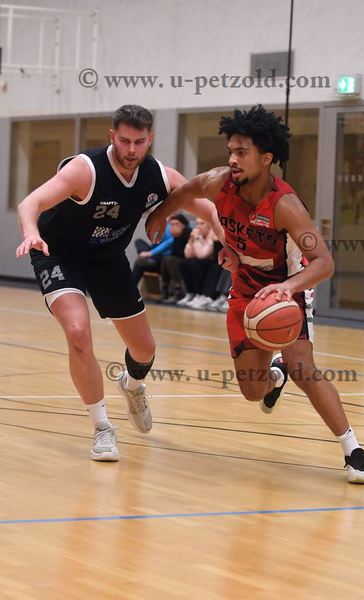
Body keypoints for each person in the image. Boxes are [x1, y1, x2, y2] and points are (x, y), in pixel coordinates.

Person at [146, 105, 364, 484]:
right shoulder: (218, 182)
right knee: (253, 391)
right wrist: (159, 215)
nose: (233, 160)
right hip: (244, 286)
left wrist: (288, 288)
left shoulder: (286, 206)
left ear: (266, 158)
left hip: (288, 285)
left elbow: (324, 263)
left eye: (242, 153)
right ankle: (274, 377)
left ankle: (353, 449)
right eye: (231, 152)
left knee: (303, 367)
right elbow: (185, 191)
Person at [15, 104, 232, 462]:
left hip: (108, 259)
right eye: (125, 141)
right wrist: (30, 232)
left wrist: (228, 243)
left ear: (150, 139)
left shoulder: (158, 175)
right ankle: (102, 427)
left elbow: (207, 208)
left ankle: (132, 385)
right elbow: (31, 202)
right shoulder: (85, 170)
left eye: (139, 142)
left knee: (144, 349)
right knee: (78, 332)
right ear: (113, 137)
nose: (131, 150)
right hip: (59, 254)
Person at [177, 218, 216, 308]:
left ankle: (201, 295)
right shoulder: (197, 235)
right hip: (202, 262)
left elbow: (202, 255)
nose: (198, 227)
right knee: (183, 263)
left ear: (209, 226)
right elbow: (187, 254)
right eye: (197, 224)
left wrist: (197, 238)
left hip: (213, 263)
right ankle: (191, 293)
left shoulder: (212, 234)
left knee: (196, 263)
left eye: (202, 224)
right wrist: (191, 240)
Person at [159, 213, 191, 303]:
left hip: (188, 260)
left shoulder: (188, 233)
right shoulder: (176, 236)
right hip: (177, 260)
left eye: (176, 224)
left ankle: (178, 291)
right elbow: (174, 252)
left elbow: (185, 254)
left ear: (183, 225)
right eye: (172, 224)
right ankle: (165, 290)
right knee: (166, 259)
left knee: (170, 260)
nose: (173, 226)